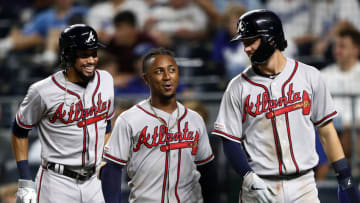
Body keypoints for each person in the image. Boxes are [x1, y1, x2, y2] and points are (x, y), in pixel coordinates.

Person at [211, 9, 360, 203]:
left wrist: (344, 176)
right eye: (243, 42)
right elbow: (229, 140)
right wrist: (248, 176)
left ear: (271, 39)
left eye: (250, 41)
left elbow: (327, 131)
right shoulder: (237, 87)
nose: (245, 48)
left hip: (303, 185)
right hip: (260, 186)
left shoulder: (309, 76)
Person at [11, 24, 114, 203]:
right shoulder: (42, 91)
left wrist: (106, 159)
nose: (91, 60)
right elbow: (19, 130)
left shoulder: (106, 80)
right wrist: (25, 180)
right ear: (67, 55)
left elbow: (107, 124)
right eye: (83, 55)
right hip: (57, 183)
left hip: (93, 182)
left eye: (94, 53)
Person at [100, 47, 219, 203]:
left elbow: (207, 171)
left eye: (172, 70)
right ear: (146, 79)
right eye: (158, 71)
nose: (167, 77)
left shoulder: (194, 119)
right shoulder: (129, 119)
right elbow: (112, 170)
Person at [321, 23, 360, 159]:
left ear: (356, 49)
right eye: (335, 46)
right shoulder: (323, 75)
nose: (337, 50)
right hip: (329, 130)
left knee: (352, 137)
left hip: (354, 131)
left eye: (342, 46)